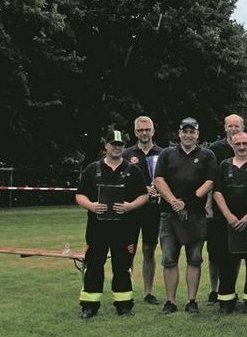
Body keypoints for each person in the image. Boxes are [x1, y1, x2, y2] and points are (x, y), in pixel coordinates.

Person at [75, 130, 149, 318]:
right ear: (105, 146)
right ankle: (89, 305)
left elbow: (144, 195)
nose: (117, 147)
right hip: (97, 228)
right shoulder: (93, 169)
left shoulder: (133, 170)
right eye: (113, 144)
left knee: (122, 266)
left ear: (123, 148)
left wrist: (130, 206)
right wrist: (91, 206)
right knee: (93, 265)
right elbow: (79, 194)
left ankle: (124, 304)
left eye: (120, 145)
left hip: (124, 229)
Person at [153, 117, 218, 314]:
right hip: (168, 214)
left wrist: (186, 202)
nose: (188, 135)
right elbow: (158, 180)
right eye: (185, 131)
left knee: (195, 259)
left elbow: (210, 182)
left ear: (198, 134)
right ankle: (170, 301)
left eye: (192, 132)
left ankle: (192, 301)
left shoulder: (207, 155)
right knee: (169, 259)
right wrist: (174, 201)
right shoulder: (167, 154)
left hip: (196, 214)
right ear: (179, 133)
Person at [212, 132, 247, 313]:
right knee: (227, 261)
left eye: (245, 143)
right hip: (228, 222)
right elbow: (217, 192)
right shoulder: (224, 165)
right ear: (232, 145)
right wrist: (229, 216)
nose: (242, 147)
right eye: (238, 144)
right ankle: (226, 300)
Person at [207, 114, 247, 303]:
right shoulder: (215, 152)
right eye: (230, 125)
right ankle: (221, 294)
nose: (234, 129)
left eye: (237, 126)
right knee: (222, 256)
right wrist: (221, 212)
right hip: (222, 216)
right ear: (225, 127)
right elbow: (214, 186)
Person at [123, 116, 164, 304]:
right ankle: (125, 288)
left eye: (147, 129)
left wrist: (160, 192)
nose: (144, 133)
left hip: (153, 210)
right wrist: (141, 190)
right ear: (135, 132)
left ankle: (148, 292)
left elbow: (168, 180)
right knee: (128, 250)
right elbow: (121, 182)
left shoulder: (163, 153)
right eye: (140, 130)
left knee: (149, 249)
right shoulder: (126, 154)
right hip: (131, 209)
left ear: (153, 131)